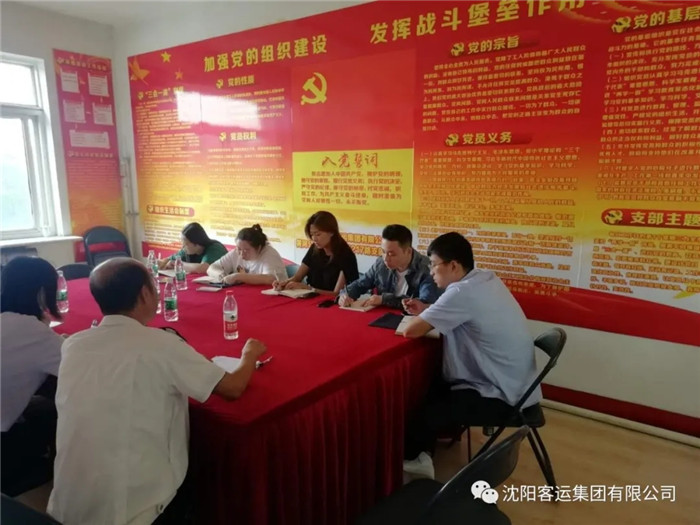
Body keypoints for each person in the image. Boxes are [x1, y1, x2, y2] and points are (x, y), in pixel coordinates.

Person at [48, 258, 267, 524]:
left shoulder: (74, 345)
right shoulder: (162, 345)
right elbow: (232, 389)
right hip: (138, 512)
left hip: (66, 509)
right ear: (145, 294)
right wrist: (249, 354)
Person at [400, 232, 539, 479]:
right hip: (519, 383)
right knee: (432, 385)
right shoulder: (484, 279)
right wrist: (427, 309)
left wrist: (423, 316)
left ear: (453, 265)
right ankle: (423, 450)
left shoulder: (461, 292)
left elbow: (411, 331)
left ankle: (415, 466)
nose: (431, 272)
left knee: (425, 404)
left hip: (501, 394)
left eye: (434, 265)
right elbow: (462, 311)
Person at [1, 257, 64, 494]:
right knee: (59, 409)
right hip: (4, 446)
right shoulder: (32, 331)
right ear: (41, 293)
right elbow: (75, 366)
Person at [339, 224, 440, 309]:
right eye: (383, 252)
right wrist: (345, 295)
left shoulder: (426, 268)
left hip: (411, 319)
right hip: (382, 317)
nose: (386, 259)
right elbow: (360, 285)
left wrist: (384, 299)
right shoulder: (380, 264)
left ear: (408, 251)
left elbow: (424, 303)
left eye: (392, 254)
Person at [275, 211, 359, 295]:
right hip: (311, 297)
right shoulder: (315, 249)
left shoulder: (346, 256)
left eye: (318, 234)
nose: (314, 239)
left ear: (331, 232)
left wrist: (309, 289)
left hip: (332, 301)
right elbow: (297, 277)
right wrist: (284, 283)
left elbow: (336, 294)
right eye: (312, 234)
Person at [207, 224, 287, 285]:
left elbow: (271, 279)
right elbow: (212, 267)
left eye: (246, 250)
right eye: (239, 249)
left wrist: (238, 276)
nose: (241, 254)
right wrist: (221, 275)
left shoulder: (269, 254)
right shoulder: (235, 252)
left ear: (259, 248)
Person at [158, 222, 227, 274]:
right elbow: (167, 260)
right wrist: (160, 263)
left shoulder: (215, 248)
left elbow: (203, 268)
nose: (182, 247)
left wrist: (178, 264)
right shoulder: (187, 251)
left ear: (196, 243)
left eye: (185, 244)